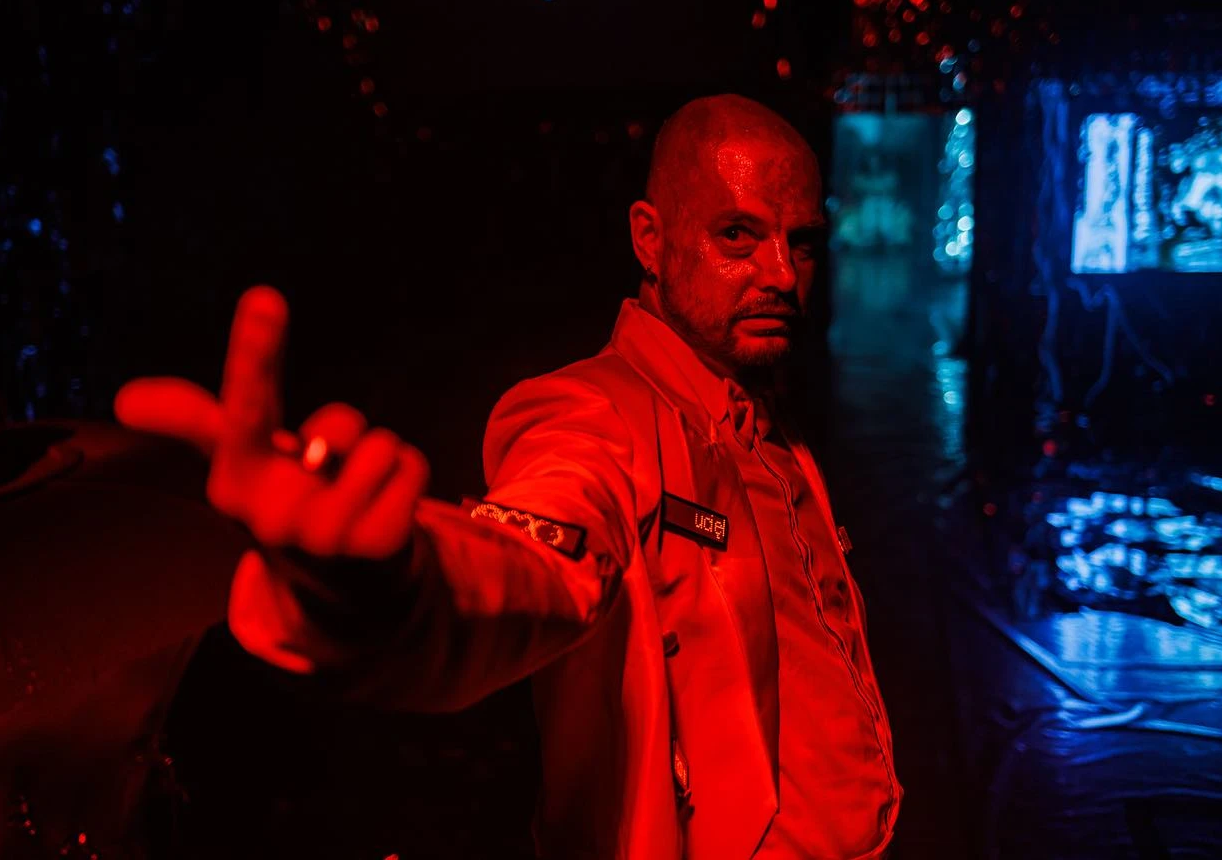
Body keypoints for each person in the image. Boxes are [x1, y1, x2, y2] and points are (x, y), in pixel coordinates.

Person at [116, 94, 900, 859]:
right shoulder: (594, 415)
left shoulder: (775, 430)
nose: (781, 275)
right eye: (737, 235)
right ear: (649, 239)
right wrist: (377, 588)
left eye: (801, 243)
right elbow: (534, 563)